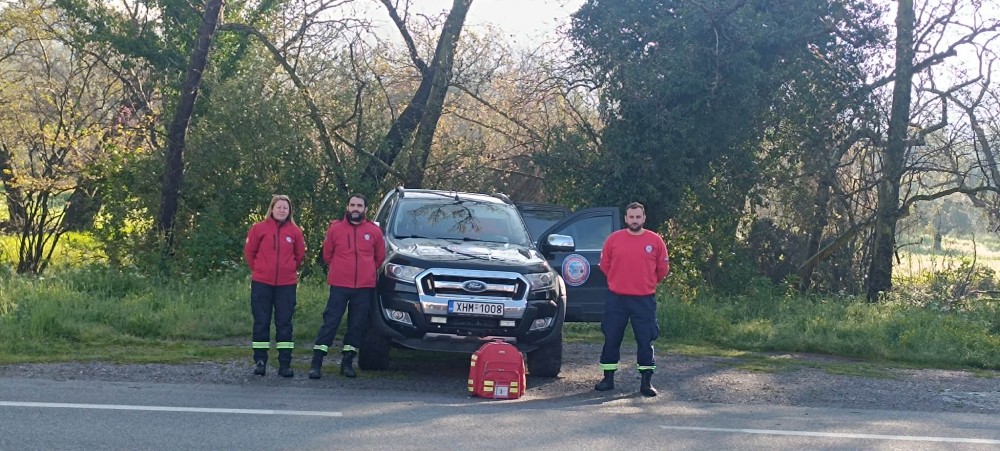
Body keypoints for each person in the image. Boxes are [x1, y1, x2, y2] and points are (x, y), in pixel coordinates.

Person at [594, 202, 670, 397]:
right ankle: (608, 379)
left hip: (643, 299)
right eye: (631, 217)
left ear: (644, 218)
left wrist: (647, 283)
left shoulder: (655, 240)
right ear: (626, 219)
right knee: (612, 337)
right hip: (617, 298)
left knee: (646, 339)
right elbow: (605, 265)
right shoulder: (614, 239)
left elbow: (662, 269)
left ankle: (646, 383)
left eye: (638, 217)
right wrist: (619, 281)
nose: (634, 220)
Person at [309, 193, 386, 379]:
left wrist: (367, 270)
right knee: (331, 322)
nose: (355, 209)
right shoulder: (335, 229)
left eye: (359, 205)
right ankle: (316, 363)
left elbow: (379, 257)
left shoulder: (374, 231)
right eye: (352, 205)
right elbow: (328, 255)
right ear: (347, 207)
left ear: (366, 209)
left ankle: (347, 363)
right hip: (340, 285)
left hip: (364, 287)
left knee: (357, 325)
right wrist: (341, 269)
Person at [244, 194, 306, 377]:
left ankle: (284, 363)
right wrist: (260, 269)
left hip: (286, 285)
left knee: (284, 323)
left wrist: (289, 269)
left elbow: (299, 256)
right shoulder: (258, 229)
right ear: (272, 209)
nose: (282, 210)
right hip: (262, 283)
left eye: (285, 208)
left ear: (290, 211)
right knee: (261, 322)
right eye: (279, 207)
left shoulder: (295, 232)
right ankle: (260, 361)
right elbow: (250, 252)